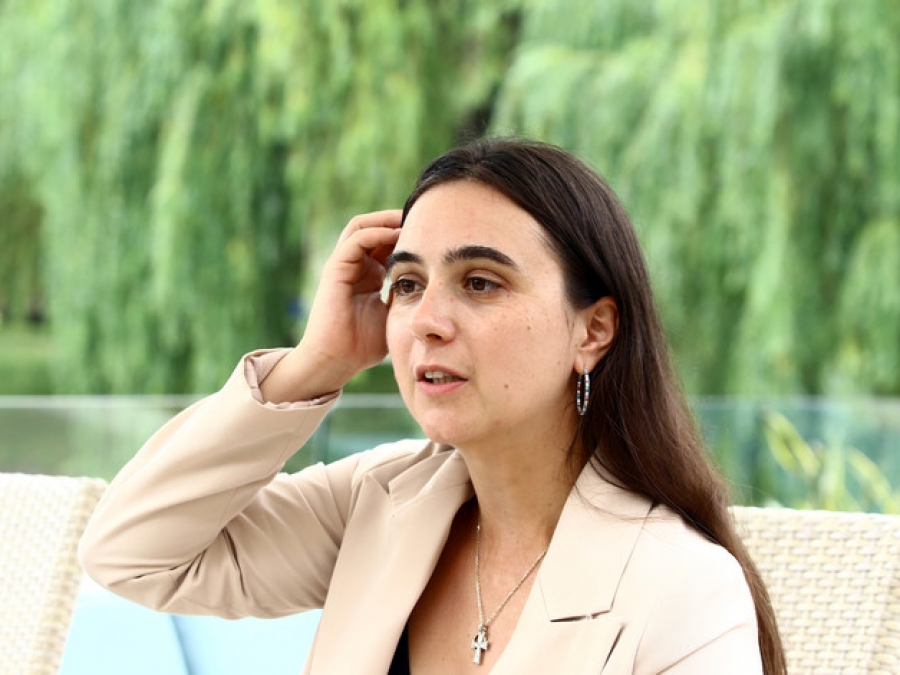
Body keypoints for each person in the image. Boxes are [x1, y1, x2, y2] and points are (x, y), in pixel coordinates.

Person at [79, 138, 786, 674]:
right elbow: (130, 553)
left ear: (592, 330)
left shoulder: (682, 587)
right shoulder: (378, 502)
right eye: (408, 284)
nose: (426, 321)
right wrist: (315, 362)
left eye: (480, 282)